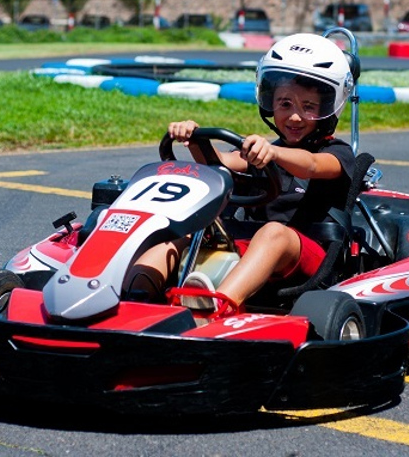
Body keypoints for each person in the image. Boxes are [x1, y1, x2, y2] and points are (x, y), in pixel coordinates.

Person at [130, 33, 356, 316]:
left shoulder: (338, 154)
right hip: (253, 247)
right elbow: (220, 163)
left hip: (309, 255)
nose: (295, 116)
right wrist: (194, 139)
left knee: (275, 233)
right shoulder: (264, 150)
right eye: (285, 104)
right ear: (270, 102)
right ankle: (134, 295)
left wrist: (273, 154)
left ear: (327, 108)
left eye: (308, 107)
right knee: (183, 232)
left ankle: (217, 305)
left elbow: (310, 164)